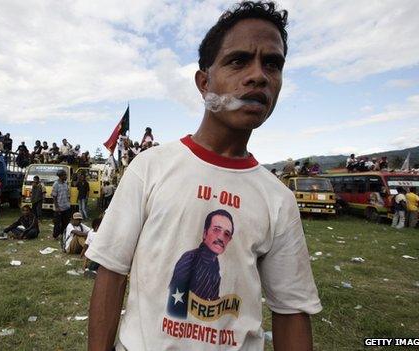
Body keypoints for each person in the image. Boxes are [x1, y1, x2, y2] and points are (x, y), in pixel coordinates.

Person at [86, 3, 321, 350]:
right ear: (203, 81)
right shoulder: (150, 168)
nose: (259, 75)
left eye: (272, 64)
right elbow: (111, 273)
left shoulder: (278, 199)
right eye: (239, 60)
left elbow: (291, 311)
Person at [51, 169, 71, 239]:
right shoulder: (56, 184)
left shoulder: (65, 183)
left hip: (66, 207)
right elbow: (54, 196)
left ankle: (63, 234)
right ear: (60, 176)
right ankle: (55, 236)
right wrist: (57, 207)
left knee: (66, 222)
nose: (66, 176)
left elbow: (67, 194)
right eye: (65, 175)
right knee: (57, 223)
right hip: (59, 207)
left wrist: (69, 203)